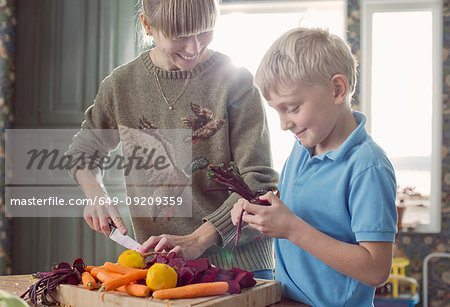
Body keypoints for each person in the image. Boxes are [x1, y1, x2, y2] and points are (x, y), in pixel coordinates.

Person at [66, 0, 278, 279]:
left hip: (241, 265)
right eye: (179, 36)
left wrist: (198, 239)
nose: (194, 48)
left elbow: (258, 181)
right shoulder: (121, 85)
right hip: (162, 270)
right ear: (147, 25)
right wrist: (96, 194)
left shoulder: (235, 81)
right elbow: (82, 152)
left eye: (205, 31)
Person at [231, 27, 397, 305]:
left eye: (293, 108)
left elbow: (377, 270)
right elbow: (304, 212)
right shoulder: (300, 150)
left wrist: (292, 229)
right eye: (277, 111)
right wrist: (260, 211)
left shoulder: (368, 167)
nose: (284, 124)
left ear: (337, 89)